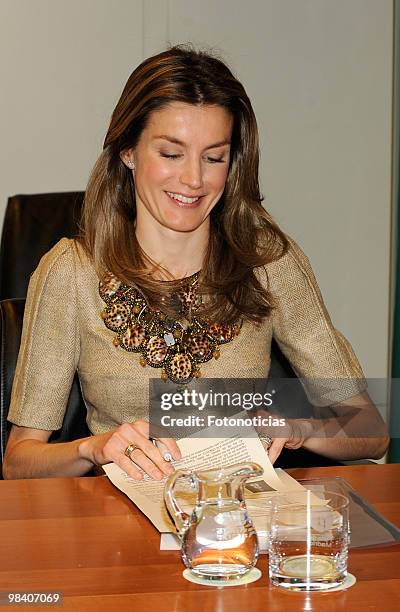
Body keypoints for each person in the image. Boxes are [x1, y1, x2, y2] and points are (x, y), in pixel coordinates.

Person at [3, 45, 389, 480]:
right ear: (128, 151)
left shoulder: (267, 260)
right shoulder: (71, 271)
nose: (194, 179)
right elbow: (20, 462)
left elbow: (370, 430)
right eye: (171, 154)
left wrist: (299, 427)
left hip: (240, 517)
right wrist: (95, 449)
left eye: (214, 157)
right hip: (120, 523)